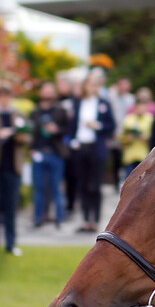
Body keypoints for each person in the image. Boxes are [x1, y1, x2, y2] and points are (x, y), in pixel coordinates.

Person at [68, 73, 115, 233]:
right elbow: (72, 126)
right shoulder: (78, 103)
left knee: (95, 186)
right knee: (82, 185)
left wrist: (98, 125)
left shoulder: (103, 103)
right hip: (81, 147)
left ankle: (95, 220)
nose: (93, 88)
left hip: (96, 148)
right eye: (91, 84)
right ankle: (85, 219)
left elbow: (111, 125)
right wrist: (73, 141)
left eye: (96, 85)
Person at [29, 81, 70, 229]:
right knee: (39, 188)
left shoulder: (60, 110)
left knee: (56, 188)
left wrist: (56, 130)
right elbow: (30, 132)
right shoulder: (35, 111)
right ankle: (38, 218)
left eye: (50, 90)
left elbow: (67, 130)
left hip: (55, 153)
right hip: (38, 153)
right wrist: (31, 148)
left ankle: (59, 219)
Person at [0, 82, 29, 256]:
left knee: (11, 207)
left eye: (7, 95)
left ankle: (11, 244)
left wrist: (18, 135)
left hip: (13, 167)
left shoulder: (19, 114)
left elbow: (27, 137)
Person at [119, 87, 155, 181]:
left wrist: (146, 138)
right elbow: (121, 137)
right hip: (130, 156)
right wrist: (127, 139)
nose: (141, 109)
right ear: (135, 107)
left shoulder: (150, 119)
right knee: (129, 181)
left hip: (144, 156)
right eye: (139, 106)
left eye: (143, 106)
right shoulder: (128, 119)